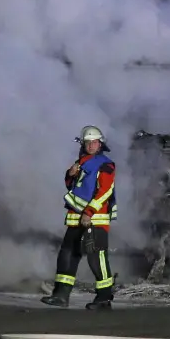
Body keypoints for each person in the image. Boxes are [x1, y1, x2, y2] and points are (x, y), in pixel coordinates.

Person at [42, 126, 118, 310]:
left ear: (100, 144)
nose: (91, 145)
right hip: (77, 217)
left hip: (95, 218)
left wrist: (89, 212)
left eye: (94, 142)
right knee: (67, 254)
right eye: (88, 142)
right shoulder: (81, 162)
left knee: (96, 258)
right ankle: (61, 295)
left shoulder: (105, 164)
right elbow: (74, 187)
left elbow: (105, 191)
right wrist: (70, 175)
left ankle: (104, 298)